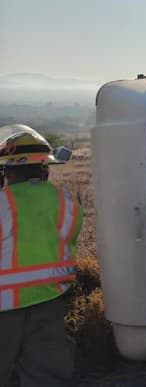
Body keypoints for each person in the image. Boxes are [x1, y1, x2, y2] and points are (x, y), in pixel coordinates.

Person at [0, 125, 80, 387]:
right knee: (46, 372)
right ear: (45, 167)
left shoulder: (3, 202)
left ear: (7, 171)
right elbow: (68, 241)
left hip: (5, 304)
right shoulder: (65, 199)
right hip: (50, 297)